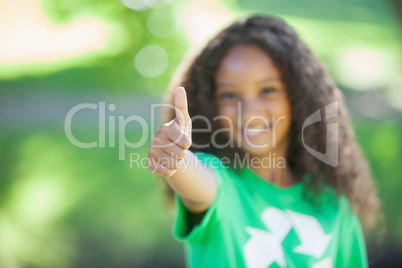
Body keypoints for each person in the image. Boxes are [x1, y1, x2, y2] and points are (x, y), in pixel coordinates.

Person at [146, 15, 379, 268]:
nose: (248, 112)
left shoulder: (335, 207)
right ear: (211, 105)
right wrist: (178, 161)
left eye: (267, 90)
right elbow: (198, 182)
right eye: (229, 94)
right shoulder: (224, 188)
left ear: (299, 96)